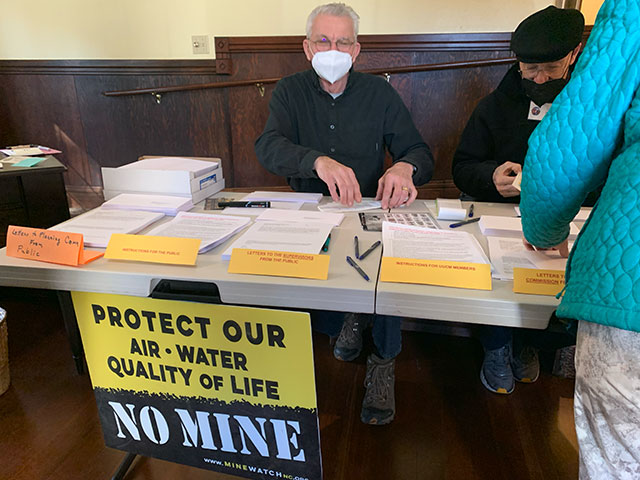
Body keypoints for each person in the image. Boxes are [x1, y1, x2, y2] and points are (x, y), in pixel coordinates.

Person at [255, 3, 434, 425]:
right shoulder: (289, 91)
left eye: (342, 42)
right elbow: (268, 147)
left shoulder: (379, 94)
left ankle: (384, 360)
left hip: (371, 208)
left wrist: (404, 167)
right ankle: (345, 320)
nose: (332, 49)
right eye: (323, 40)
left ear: (356, 51)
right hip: (310, 210)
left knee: (385, 276)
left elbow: (418, 151)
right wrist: (316, 161)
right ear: (306, 47)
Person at [520, 0, 640, 477]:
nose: (539, 76)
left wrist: (544, 231)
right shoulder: (500, 98)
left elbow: (562, 156)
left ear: (574, 55)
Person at [451, 6, 584, 394]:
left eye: (551, 69)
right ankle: (497, 344)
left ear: (574, 55)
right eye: (530, 69)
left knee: (557, 270)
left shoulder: (590, 109)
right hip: (501, 212)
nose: (540, 79)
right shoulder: (495, 105)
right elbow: (463, 167)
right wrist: (492, 176)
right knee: (494, 269)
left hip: (566, 217)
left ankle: (529, 340)